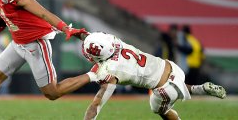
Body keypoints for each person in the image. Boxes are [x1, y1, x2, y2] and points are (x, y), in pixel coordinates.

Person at [81, 32, 226, 120]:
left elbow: (96, 104)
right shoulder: (117, 43)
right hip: (171, 67)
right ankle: (201, 88)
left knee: (161, 110)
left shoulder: (110, 70)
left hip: (163, 88)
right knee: (177, 86)